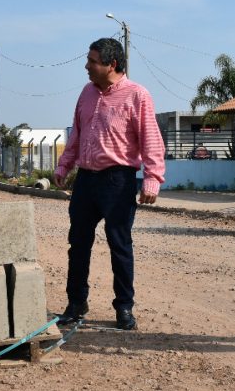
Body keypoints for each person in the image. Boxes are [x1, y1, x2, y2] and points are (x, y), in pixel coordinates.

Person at [53, 37, 166, 331]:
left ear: (111, 64)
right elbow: (77, 135)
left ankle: (124, 307)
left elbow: (151, 139)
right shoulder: (87, 93)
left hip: (117, 181)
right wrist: (64, 165)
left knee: (119, 244)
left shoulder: (137, 95)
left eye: (92, 61)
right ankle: (76, 304)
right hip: (86, 180)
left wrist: (152, 178)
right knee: (78, 243)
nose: (86, 66)